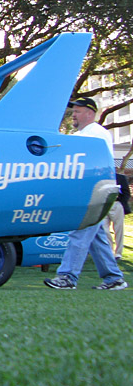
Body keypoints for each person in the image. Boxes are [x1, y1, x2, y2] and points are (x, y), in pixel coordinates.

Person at [45, 97, 128, 290]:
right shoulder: (85, 133)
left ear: (90, 113)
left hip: (92, 190)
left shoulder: (95, 133)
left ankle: (67, 277)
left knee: (80, 232)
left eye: (78, 111)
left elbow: (86, 163)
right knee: (96, 237)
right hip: (92, 189)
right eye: (73, 111)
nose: (73, 114)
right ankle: (114, 278)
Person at [106, 171, 130, 260]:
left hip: (117, 204)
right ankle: (109, 252)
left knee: (118, 229)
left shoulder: (120, 177)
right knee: (104, 230)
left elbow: (126, 193)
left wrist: (121, 203)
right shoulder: (101, 177)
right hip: (104, 205)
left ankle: (118, 253)